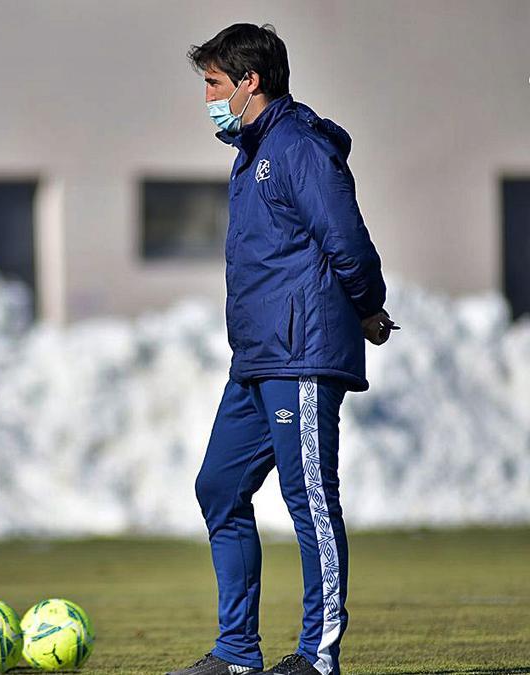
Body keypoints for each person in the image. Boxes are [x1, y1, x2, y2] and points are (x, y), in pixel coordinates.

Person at [166, 23, 398, 675]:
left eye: (214, 83)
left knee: (309, 497)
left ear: (250, 82)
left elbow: (345, 237)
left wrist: (368, 305)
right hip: (257, 358)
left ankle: (318, 656)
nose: (207, 96)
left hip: (300, 353)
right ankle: (238, 651)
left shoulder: (296, 144)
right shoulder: (249, 152)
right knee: (218, 486)